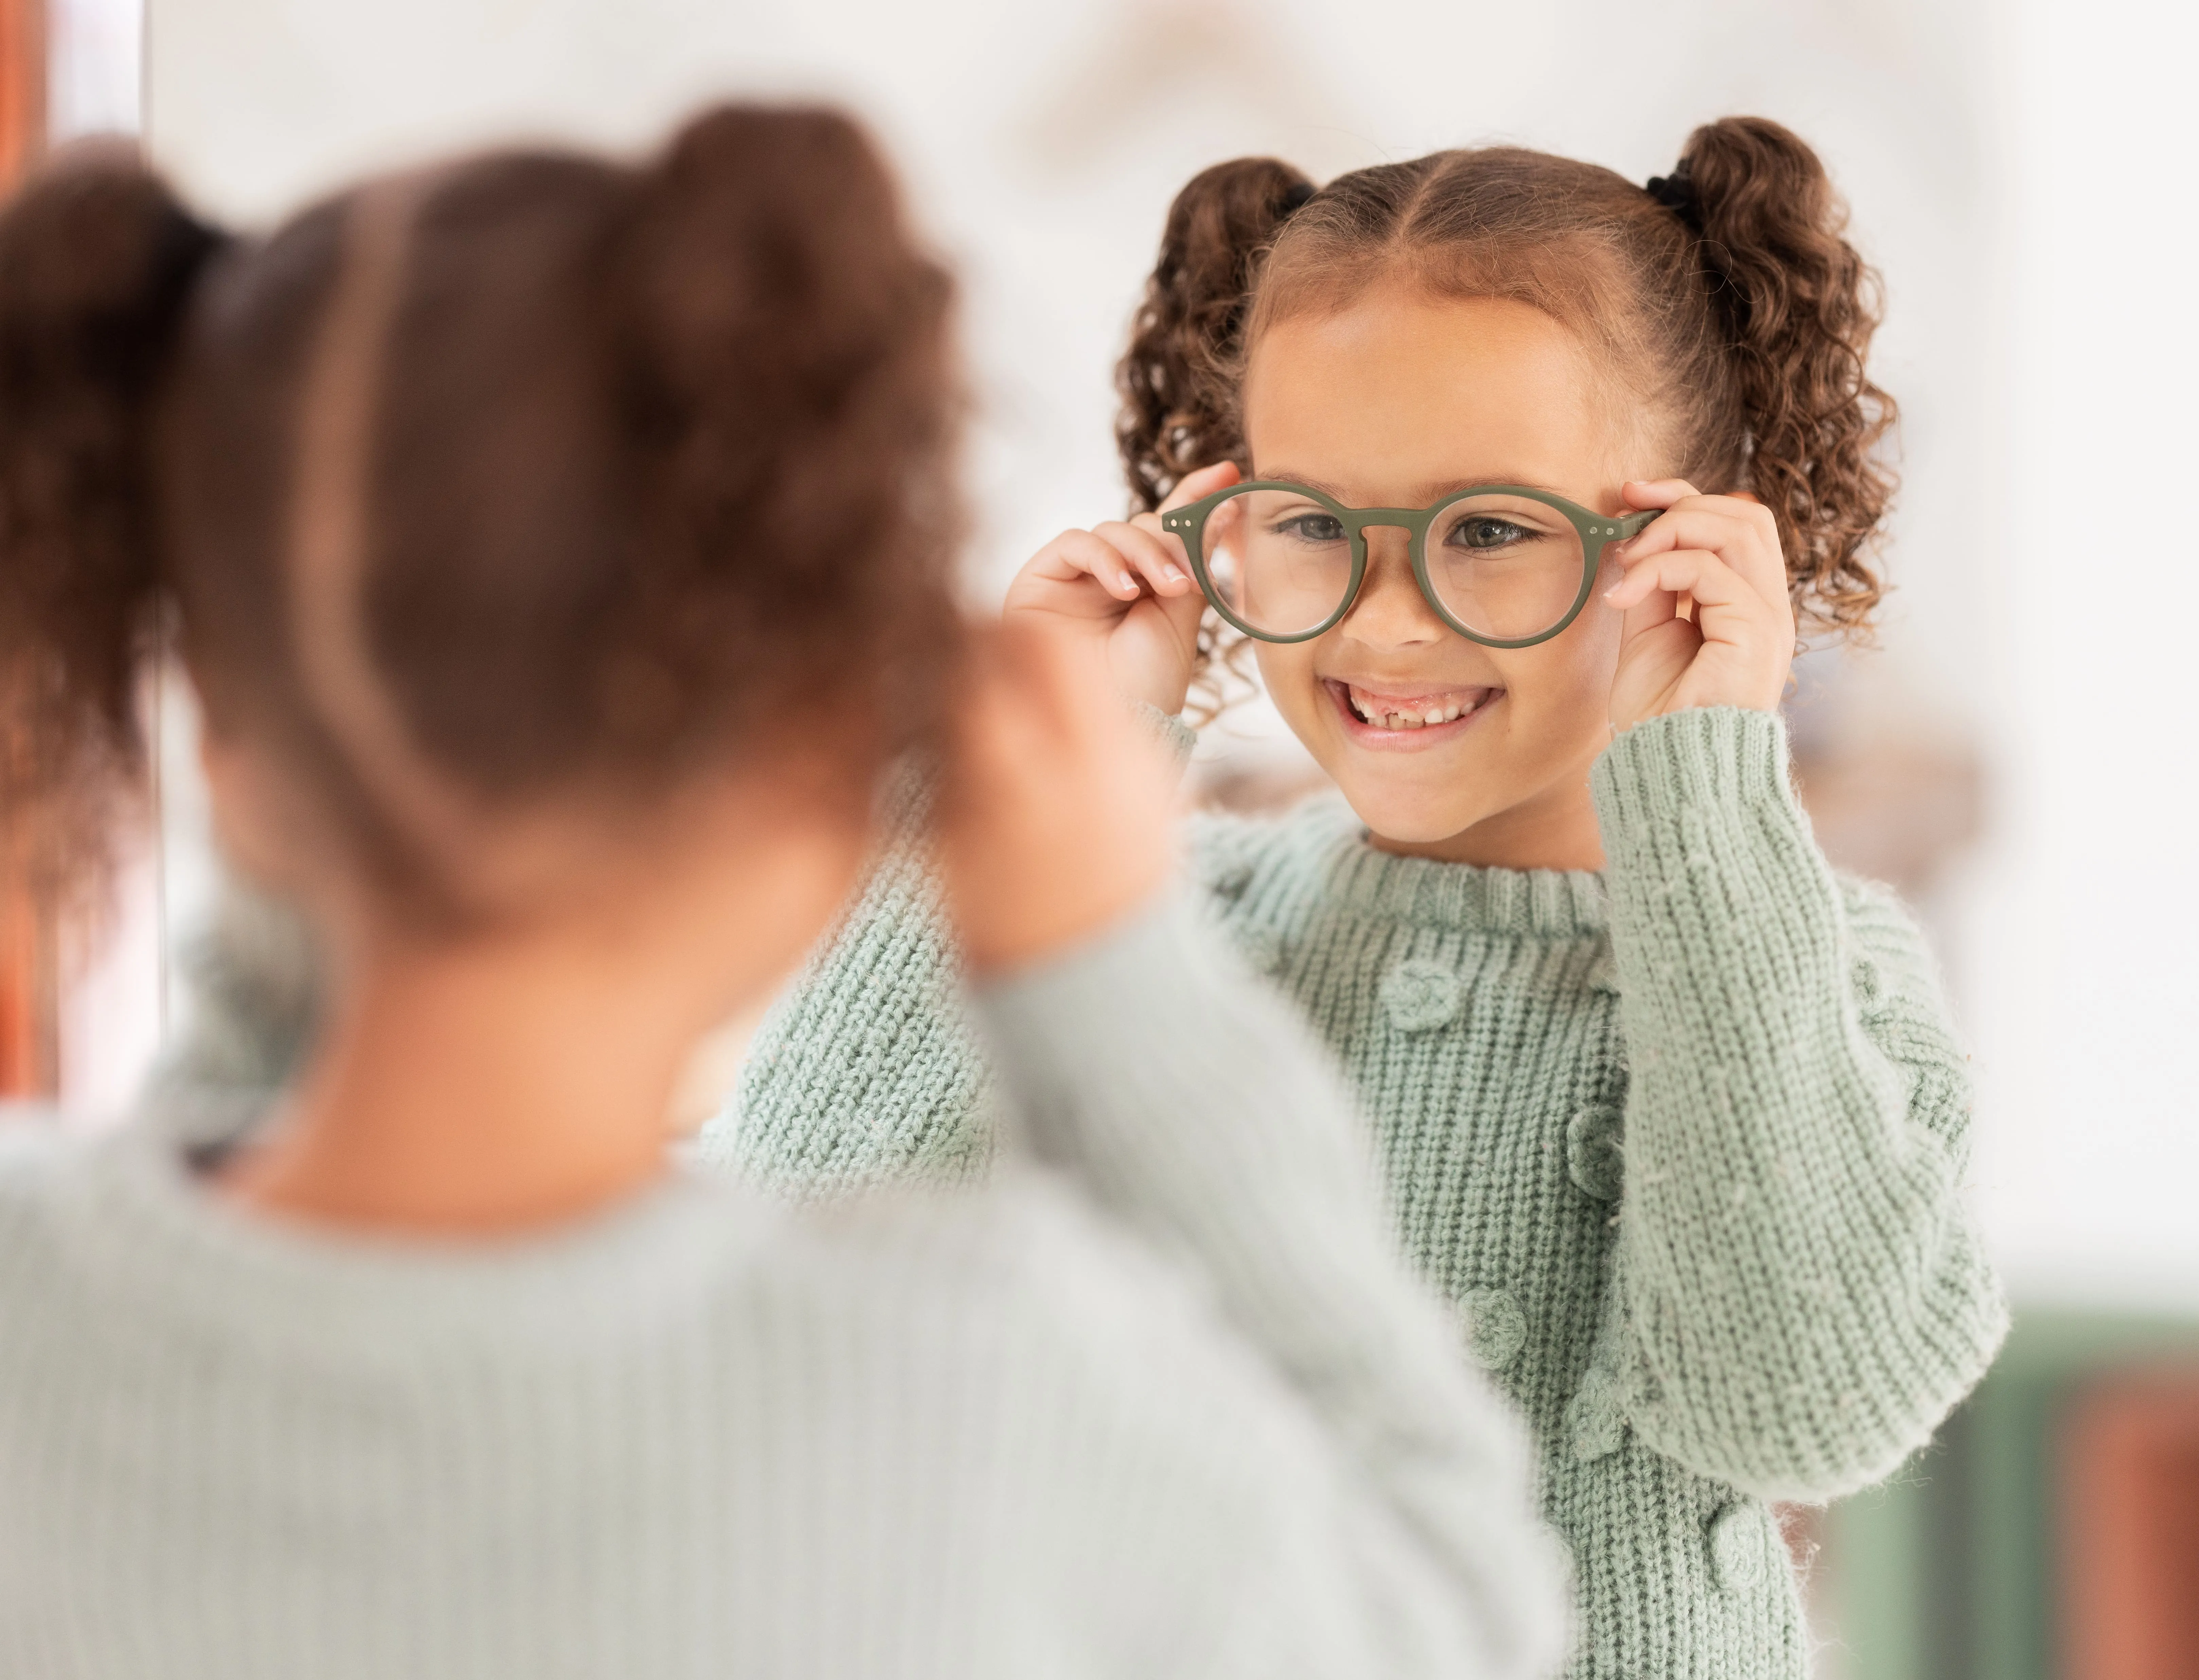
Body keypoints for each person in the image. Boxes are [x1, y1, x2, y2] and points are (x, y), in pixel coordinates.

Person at [0, 112, 1570, 1679]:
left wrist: (342, 772)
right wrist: (1108, 971)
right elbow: (1447, 1613)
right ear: (826, 744)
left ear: (216, 726)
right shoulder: (992, 1391)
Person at [713, 122, 2010, 1678]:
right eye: (1316, 524)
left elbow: (1805, 1407)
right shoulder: (1155, 922)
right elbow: (805, 1230)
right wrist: (1033, 777)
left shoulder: (1814, 973)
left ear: (1688, 543)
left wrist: (1707, 801)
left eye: (1491, 531)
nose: (1385, 627)